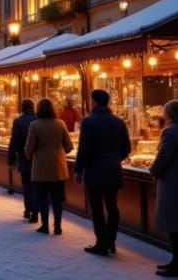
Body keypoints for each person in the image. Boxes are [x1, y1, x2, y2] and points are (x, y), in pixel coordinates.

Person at [75, 88, 132, 256]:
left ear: (94, 102)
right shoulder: (119, 122)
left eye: (91, 100)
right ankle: (111, 241)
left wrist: (79, 169)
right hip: (113, 170)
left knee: (97, 207)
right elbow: (126, 148)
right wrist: (114, 159)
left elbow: (84, 149)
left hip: (95, 171)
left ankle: (101, 243)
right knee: (112, 206)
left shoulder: (89, 122)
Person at [25, 98, 73, 235]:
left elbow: (29, 148)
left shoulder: (34, 125)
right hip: (58, 166)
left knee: (42, 198)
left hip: (40, 167)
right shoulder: (61, 123)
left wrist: (29, 155)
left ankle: (45, 225)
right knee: (57, 198)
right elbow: (69, 147)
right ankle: (58, 226)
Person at [150, 100, 178, 277]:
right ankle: (176, 261)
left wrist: (153, 171)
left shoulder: (170, 132)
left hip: (173, 182)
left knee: (174, 225)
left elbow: (164, 157)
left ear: (169, 114)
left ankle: (177, 264)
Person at [8, 99, 38, 222]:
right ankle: (36, 211)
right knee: (37, 186)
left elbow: (14, 140)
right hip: (38, 158)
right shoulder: (38, 119)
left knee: (27, 185)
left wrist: (11, 157)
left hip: (24, 158)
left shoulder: (19, 121)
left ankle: (29, 210)